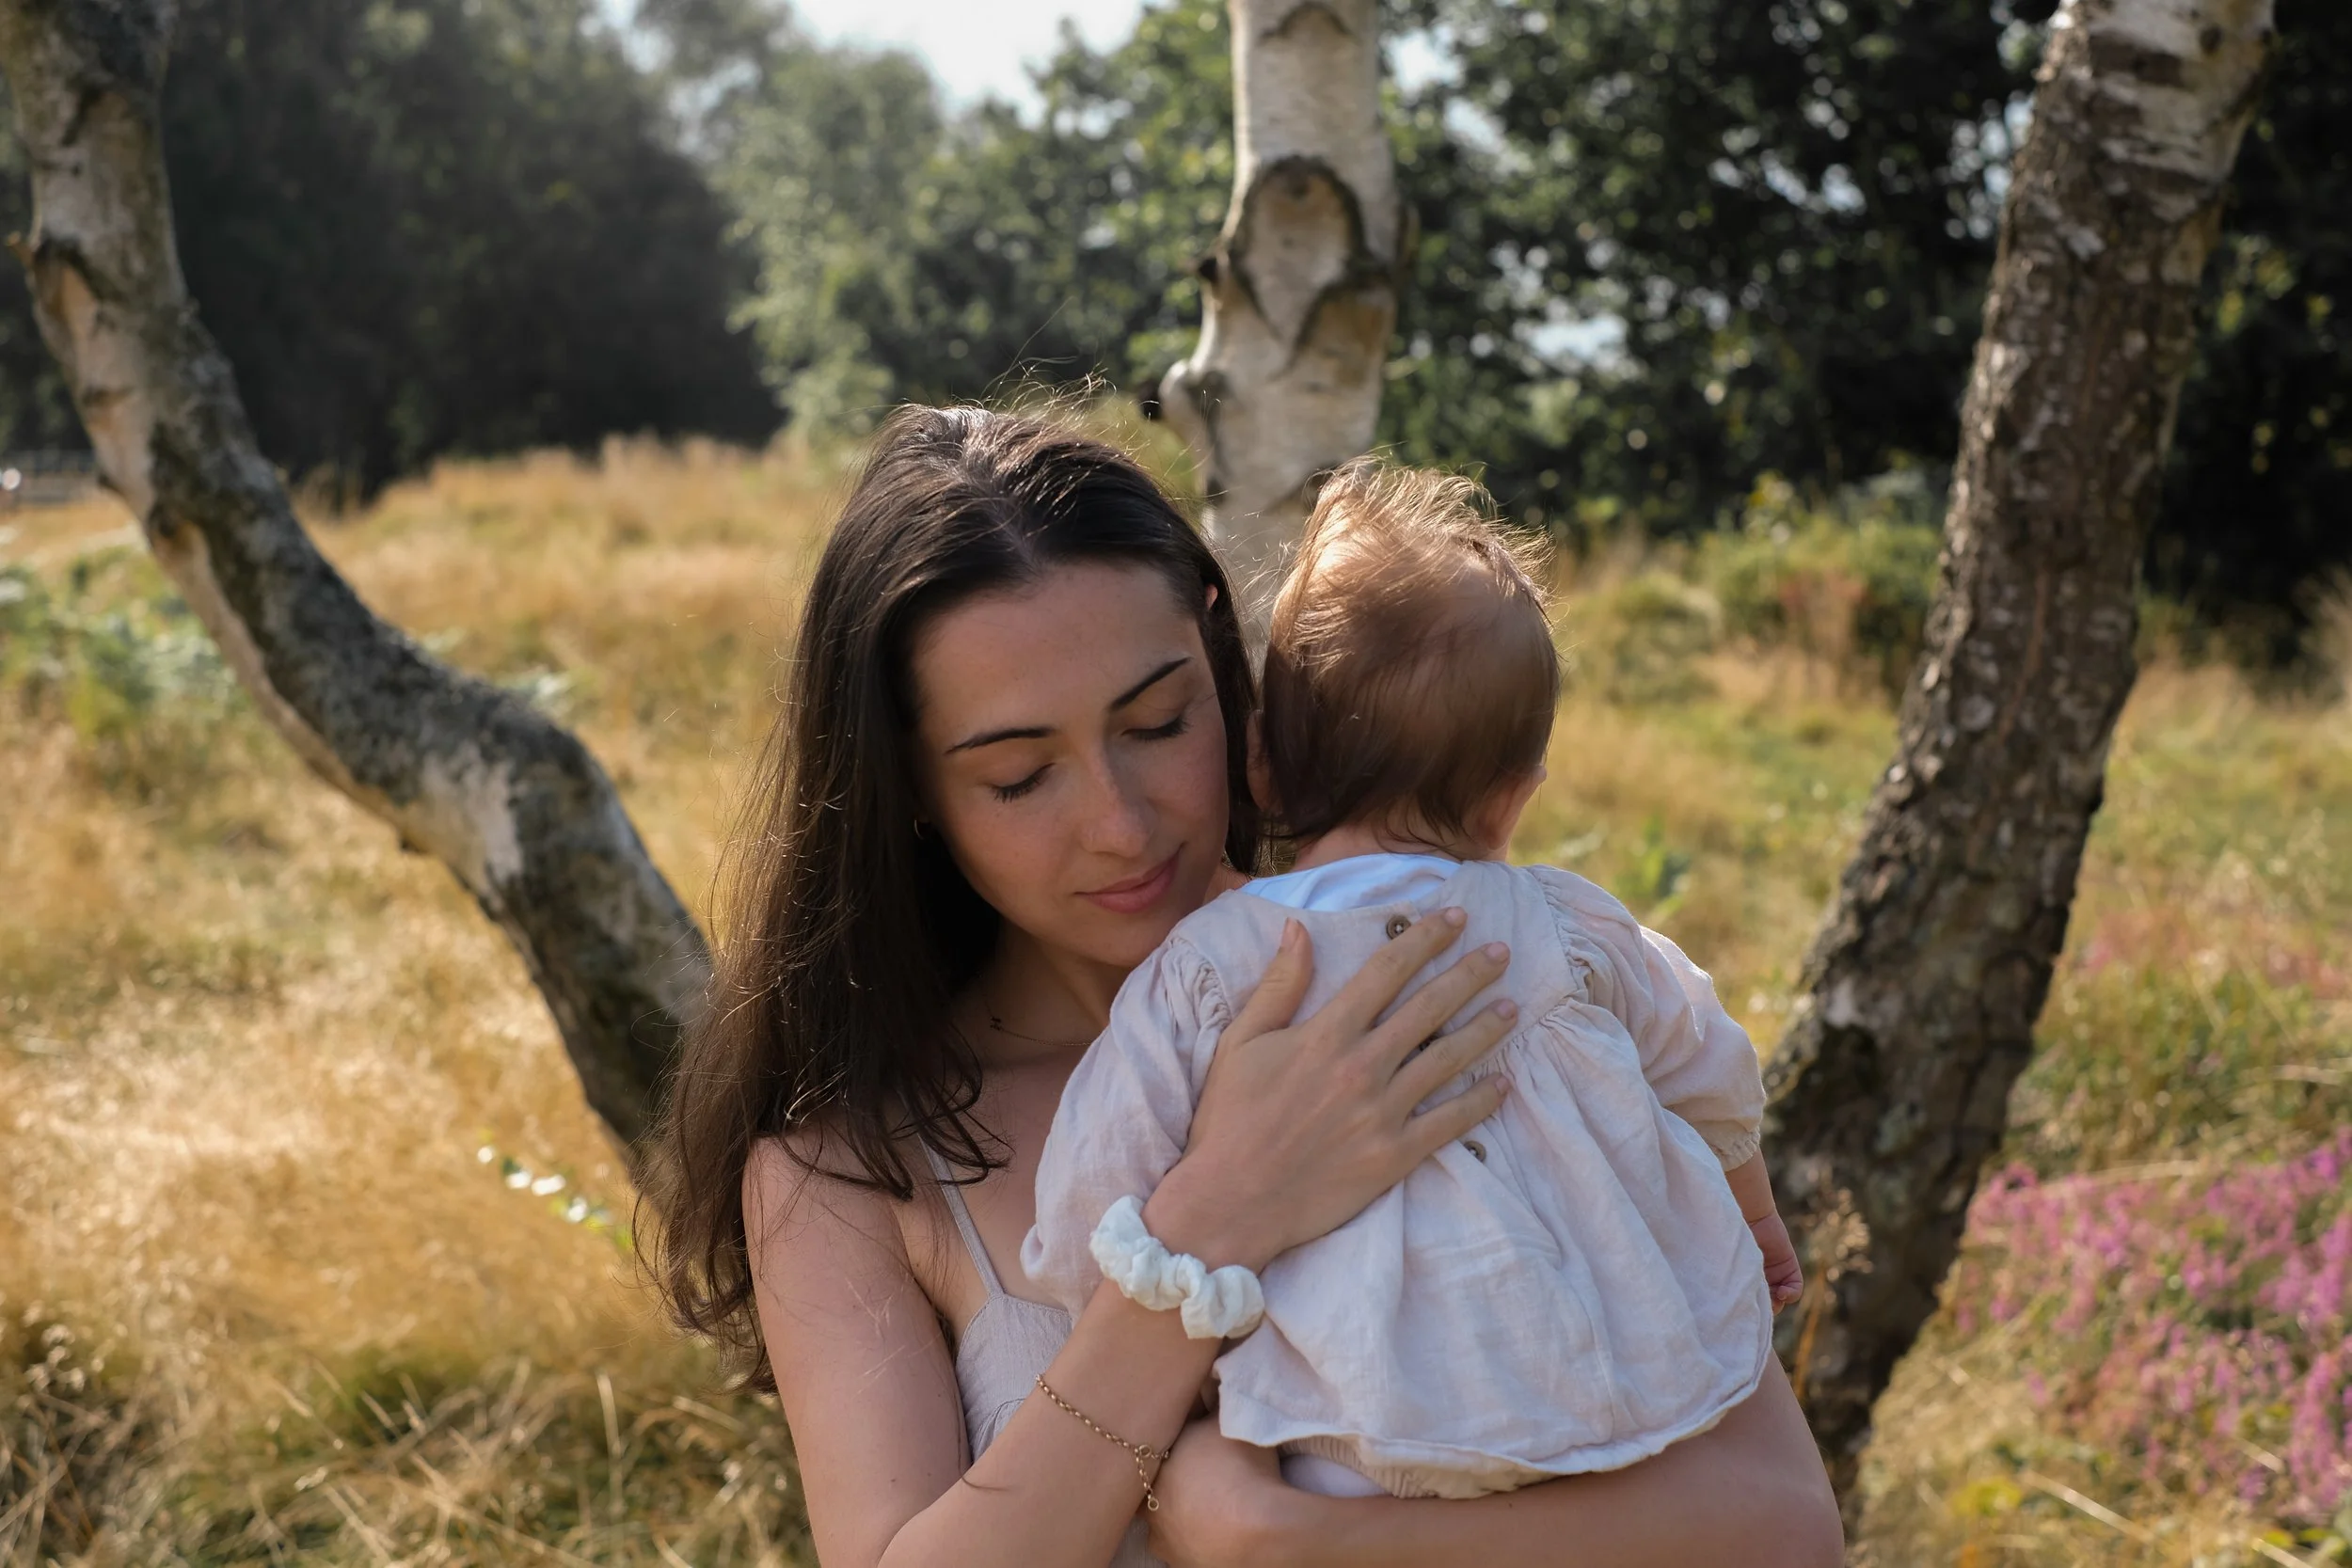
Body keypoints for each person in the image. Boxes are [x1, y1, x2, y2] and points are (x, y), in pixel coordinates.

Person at [648, 405, 1842, 1568]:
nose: (1122, 825)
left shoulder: (1449, 985)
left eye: (1160, 721)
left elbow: (1787, 1524)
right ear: (907, 789)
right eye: (1018, 776)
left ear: (1232, 681)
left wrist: (1294, 1539)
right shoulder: (846, 1172)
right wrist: (1210, 1222)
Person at [1025, 459, 1805, 1503]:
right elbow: (1709, 1068)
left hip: (1347, 1426)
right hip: (1611, 1393)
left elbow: (1098, 1177)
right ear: (1509, 801)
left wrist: (1104, 1302)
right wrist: (1753, 1218)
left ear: (1259, 765)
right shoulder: (1565, 929)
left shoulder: (1210, 969)